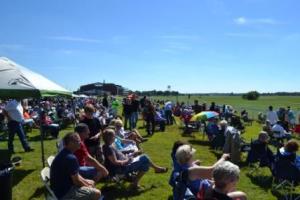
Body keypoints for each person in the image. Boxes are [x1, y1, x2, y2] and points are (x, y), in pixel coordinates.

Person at [102, 129, 168, 189]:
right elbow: (115, 162)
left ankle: (135, 184)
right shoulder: (109, 148)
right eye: (114, 135)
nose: (115, 136)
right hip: (121, 168)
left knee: (145, 164)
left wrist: (128, 152)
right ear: (110, 137)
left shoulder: (109, 145)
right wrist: (127, 160)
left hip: (125, 162)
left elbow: (117, 153)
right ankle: (157, 169)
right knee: (145, 158)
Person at [50, 132, 101, 200]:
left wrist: (86, 181)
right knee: (97, 193)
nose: (80, 142)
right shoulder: (71, 158)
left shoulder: (64, 153)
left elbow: (76, 175)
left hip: (60, 189)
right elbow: (76, 181)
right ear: (71, 143)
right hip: (64, 194)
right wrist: (88, 186)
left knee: (91, 182)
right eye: (78, 141)